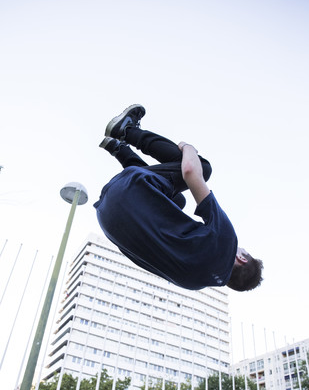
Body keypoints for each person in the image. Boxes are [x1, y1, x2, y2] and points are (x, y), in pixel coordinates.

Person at [94, 104, 263, 292]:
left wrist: (188, 148)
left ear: (241, 259)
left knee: (203, 168)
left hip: (128, 190)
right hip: (106, 215)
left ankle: (126, 131)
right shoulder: (193, 283)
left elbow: (190, 172)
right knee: (176, 201)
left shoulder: (226, 241)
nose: (239, 249)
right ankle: (119, 149)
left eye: (242, 251)